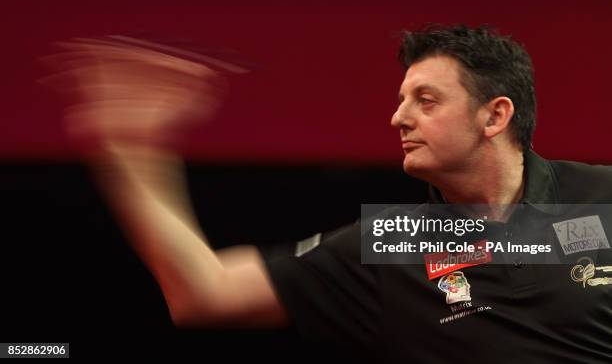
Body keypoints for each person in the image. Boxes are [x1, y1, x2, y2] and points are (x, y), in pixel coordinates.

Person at [54, 25, 612, 362]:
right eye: (401, 100)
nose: (398, 118)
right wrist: (132, 152)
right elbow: (206, 292)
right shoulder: (395, 243)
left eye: (426, 100)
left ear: (495, 116)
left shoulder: (602, 195)